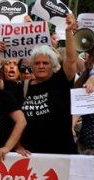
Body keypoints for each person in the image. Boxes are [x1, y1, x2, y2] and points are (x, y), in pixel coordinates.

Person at [18, 14, 79, 154]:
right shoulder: (23, 87)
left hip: (61, 153)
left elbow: (70, 59)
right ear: (31, 67)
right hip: (31, 155)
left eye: (45, 63)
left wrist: (68, 31)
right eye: (37, 63)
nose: (41, 66)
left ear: (53, 65)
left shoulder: (61, 81)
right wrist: (17, 145)